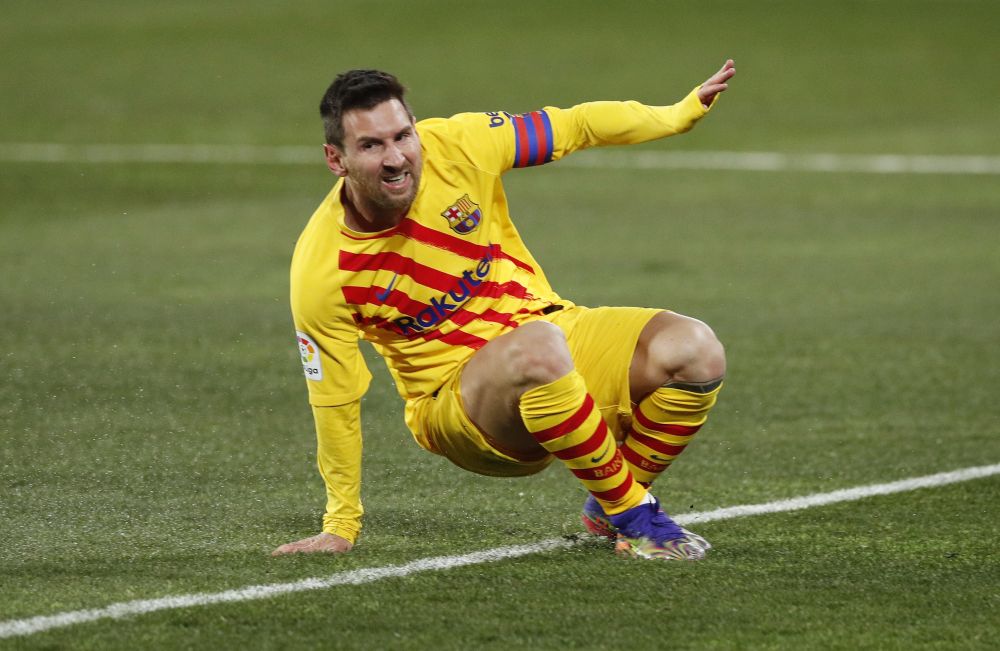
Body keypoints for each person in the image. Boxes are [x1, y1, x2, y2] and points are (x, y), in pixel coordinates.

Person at [273, 60, 735, 560]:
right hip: (458, 406)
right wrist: (341, 523)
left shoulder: (459, 144)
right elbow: (335, 401)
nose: (396, 158)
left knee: (695, 349)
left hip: (551, 332)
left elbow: (575, 125)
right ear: (335, 159)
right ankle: (640, 521)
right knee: (538, 347)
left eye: (403, 136)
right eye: (371, 145)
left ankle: (609, 507)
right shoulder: (324, 272)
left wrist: (676, 115)